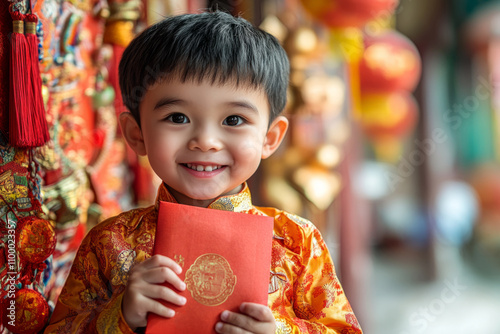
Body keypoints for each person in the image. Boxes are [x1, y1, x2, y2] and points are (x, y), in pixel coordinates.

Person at [44, 11, 362, 334]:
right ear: (136, 133)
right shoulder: (109, 243)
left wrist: (280, 330)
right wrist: (122, 314)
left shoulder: (297, 242)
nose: (205, 142)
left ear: (270, 138)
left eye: (234, 120)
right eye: (178, 117)